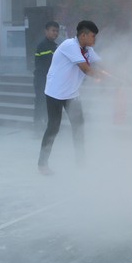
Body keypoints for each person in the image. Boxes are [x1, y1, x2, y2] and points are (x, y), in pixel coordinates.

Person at [37, 20, 102, 175]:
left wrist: (120, 73)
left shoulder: (87, 49)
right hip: (55, 93)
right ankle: (42, 164)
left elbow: (101, 64)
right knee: (53, 127)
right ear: (84, 35)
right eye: (93, 36)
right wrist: (106, 78)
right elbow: (86, 69)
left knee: (79, 126)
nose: (95, 40)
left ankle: (81, 161)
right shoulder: (69, 46)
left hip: (72, 93)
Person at [33, 21, 60, 137]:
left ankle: (48, 127)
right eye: (53, 30)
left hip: (51, 80)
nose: (56, 33)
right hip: (41, 80)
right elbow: (51, 62)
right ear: (46, 31)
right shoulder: (43, 45)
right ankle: (38, 128)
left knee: (50, 104)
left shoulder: (55, 46)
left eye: (57, 31)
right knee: (41, 103)